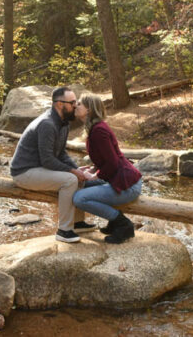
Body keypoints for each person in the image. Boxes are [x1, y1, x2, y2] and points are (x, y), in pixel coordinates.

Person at [10, 86, 96, 243]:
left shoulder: (64, 123)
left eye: (75, 102)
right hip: (24, 172)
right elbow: (47, 160)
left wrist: (77, 170)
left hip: (38, 168)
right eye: (72, 102)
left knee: (77, 176)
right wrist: (72, 172)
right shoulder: (47, 124)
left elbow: (61, 154)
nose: (76, 105)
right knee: (70, 180)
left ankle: (77, 223)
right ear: (59, 104)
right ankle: (64, 230)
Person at [73, 93, 142, 244]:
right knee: (79, 184)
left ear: (89, 109)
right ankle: (113, 223)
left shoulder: (99, 130)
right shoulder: (94, 129)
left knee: (79, 198)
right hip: (119, 180)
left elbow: (112, 163)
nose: (75, 106)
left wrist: (94, 176)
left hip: (127, 185)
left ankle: (123, 224)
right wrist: (91, 169)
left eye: (79, 104)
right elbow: (106, 160)